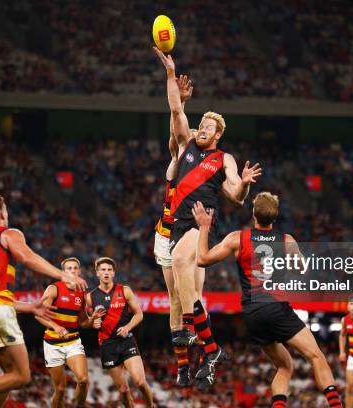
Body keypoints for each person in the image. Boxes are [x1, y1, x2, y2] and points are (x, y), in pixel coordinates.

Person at [154, 47, 262, 389]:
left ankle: (212, 351)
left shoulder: (223, 158)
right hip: (173, 227)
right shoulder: (185, 145)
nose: (202, 128)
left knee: (186, 269)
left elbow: (235, 195)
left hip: (199, 225)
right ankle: (197, 360)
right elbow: (174, 109)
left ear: (218, 136)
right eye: (201, 123)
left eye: (209, 127)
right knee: (181, 299)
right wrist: (171, 74)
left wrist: (243, 185)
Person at [193, 192, 344, 407]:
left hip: (253, 315)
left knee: (285, 365)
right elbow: (302, 270)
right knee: (316, 357)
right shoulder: (286, 240)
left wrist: (204, 227)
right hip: (276, 308)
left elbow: (202, 259)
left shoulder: (238, 238)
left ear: (254, 214)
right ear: (275, 217)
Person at [0, 193, 87, 408]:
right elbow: (27, 257)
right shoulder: (8, 233)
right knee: (22, 376)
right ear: (3, 212)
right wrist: (63, 275)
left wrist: (30, 307)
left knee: (7, 376)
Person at [153, 74, 202, 387]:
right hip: (166, 233)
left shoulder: (208, 167)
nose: (193, 134)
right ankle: (183, 365)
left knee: (194, 295)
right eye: (192, 131)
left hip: (190, 234)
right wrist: (181, 102)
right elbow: (176, 127)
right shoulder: (176, 159)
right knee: (174, 299)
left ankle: (201, 347)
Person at [87, 257, 155, 408]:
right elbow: (88, 322)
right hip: (107, 345)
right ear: (97, 273)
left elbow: (139, 314)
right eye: (103, 270)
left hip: (126, 341)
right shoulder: (90, 297)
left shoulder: (124, 290)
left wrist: (128, 328)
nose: (106, 272)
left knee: (141, 383)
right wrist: (93, 322)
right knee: (123, 390)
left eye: (109, 270)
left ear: (114, 273)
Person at [35, 257, 103, 408]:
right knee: (60, 389)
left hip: (73, 342)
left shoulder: (81, 293)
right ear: (63, 272)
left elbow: (83, 322)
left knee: (83, 380)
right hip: (52, 344)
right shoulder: (54, 289)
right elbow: (38, 314)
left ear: (79, 271)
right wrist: (55, 326)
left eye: (75, 268)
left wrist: (93, 320)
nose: (72, 271)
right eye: (69, 268)